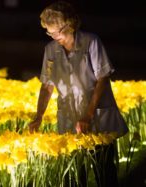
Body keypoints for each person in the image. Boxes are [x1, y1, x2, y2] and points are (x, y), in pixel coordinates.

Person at [28, 1, 129, 186]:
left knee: (104, 173)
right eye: (49, 32)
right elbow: (47, 86)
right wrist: (39, 116)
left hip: (97, 120)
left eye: (57, 31)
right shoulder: (50, 50)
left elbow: (103, 78)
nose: (53, 36)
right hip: (68, 120)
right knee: (73, 176)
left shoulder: (91, 42)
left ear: (70, 24)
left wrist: (88, 114)